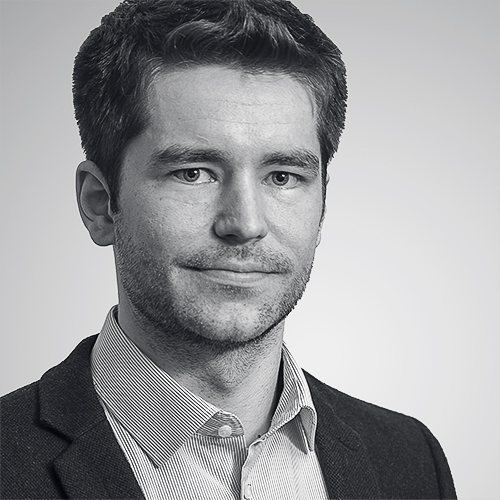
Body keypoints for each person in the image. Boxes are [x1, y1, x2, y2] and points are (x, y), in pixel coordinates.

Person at [1, 0, 456, 498]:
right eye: (193, 173)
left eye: (283, 176)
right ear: (100, 204)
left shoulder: (410, 460)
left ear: (322, 203)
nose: (245, 224)